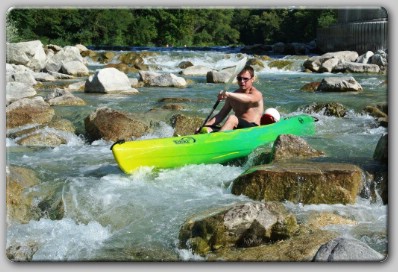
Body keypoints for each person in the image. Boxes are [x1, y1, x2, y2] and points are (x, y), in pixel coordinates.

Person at [201, 65, 264, 133]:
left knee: (232, 118)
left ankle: (219, 140)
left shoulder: (257, 94)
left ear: (252, 79)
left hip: (253, 130)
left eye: (245, 79)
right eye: (239, 78)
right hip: (237, 129)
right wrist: (204, 126)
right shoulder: (233, 96)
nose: (242, 81)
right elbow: (220, 115)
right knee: (206, 130)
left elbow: (249, 99)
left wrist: (228, 94)